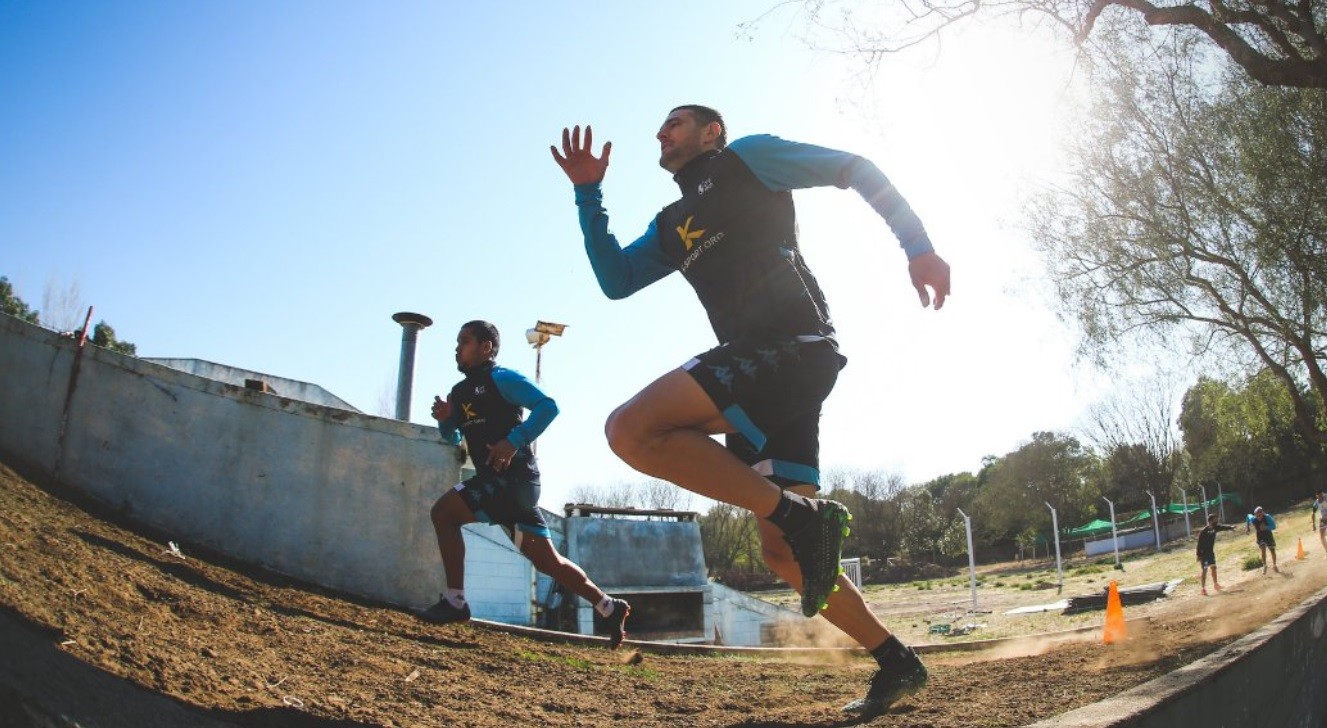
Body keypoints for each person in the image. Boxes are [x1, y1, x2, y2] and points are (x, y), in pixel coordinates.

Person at [551, 106, 951, 718]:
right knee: (783, 553)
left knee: (629, 429)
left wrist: (917, 247)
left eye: (676, 122)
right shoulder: (671, 224)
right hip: (760, 377)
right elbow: (616, 279)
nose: (662, 133)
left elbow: (856, 168)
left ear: (712, 132)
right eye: (661, 127)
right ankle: (897, 661)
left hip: (793, 347)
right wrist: (588, 194)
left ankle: (802, 516)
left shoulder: (748, 158)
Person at [417, 320, 631, 648]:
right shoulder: (459, 393)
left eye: (465, 341)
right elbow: (454, 438)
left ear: (486, 347)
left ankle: (455, 601)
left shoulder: (503, 378)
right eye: (457, 342)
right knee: (548, 562)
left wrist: (513, 441)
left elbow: (548, 407)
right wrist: (446, 420)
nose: (457, 348)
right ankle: (608, 607)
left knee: (444, 513)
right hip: (502, 486)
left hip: (514, 481)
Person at [1195, 514, 1234, 595]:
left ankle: (1216, 585)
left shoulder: (1215, 528)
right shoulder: (1204, 531)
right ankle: (1203, 589)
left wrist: (1230, 527)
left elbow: (1223, 527)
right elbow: (1199, 544)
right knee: (1205, 570)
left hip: (1210, 553)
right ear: (1210, 521)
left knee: (1213, 568)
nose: (1217, 521)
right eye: (1215, 520)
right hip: (1204, 555)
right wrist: (1198, 555)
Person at [1246, 506, 1278, 574]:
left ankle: (1274, 565)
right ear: (1255, 515)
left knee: (1272, 550)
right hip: (1260, 537)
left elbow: (1274, 526)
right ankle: (1265, 565)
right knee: (1263, 548)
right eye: (1257, 515)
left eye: (1260, 515)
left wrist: (1266, 527)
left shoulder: (1267, 517)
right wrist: (1247, 527)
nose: (1259, 517)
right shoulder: (1253, 519)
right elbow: (1248, 516)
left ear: (1262, 513)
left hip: (1268, 536)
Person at [1313, 491, 1326, 557]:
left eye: (1321, 495)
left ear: (1322, 494)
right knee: (1322, 537)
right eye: (1318, 496)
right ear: (1317, 496)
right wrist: (1313, 524)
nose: (1320, 497)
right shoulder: (1316, 504)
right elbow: (1313, 514)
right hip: (1323, 520)